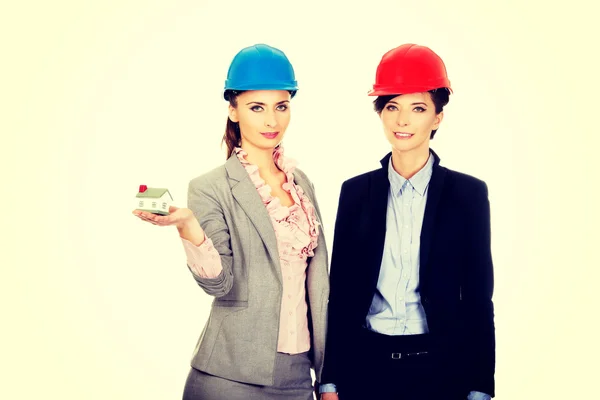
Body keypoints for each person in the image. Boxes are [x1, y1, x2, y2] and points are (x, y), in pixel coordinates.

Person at [132, 43, 330, 400]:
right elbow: (219, 285)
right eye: (257, 107)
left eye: (281, 106)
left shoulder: (301, 183)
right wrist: (189, 227)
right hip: (229, 378)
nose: (272, 121)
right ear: (233, 110)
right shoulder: (209, 187)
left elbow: (318, 285)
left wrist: (329, 376)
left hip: (299, 378)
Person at [319, 43, 496, 400]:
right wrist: (330, 380)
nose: (403, 120)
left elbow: (479, 297)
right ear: (380, 114)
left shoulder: (468, 195)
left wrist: (480, 388)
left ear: (437, 117)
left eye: (418, 108)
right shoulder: (355, 193)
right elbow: (341, 293)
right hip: (365, 368)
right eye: (392, 107)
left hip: (440, 370)